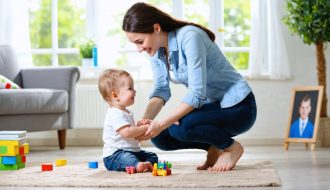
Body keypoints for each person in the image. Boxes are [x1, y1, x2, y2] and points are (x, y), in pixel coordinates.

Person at [122, 2, 257, 172]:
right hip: (213, 107)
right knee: (159, 137)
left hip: (239, 108)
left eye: (140, 41)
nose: (139, 49)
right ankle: (213, 148)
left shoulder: (190, 37)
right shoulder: (156, 51)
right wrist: (144, 124)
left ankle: (231, 147)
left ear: (156, 28)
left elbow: (197, 93)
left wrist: (163, 122)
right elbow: (161, 90)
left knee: (182, 127)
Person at [98, 68, 158, 173]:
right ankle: (137, 165)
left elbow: (131, 130)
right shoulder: (115, 113)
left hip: (132, 151)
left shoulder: (127, 112)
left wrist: (138, 125)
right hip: (115, 155)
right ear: (115, 95)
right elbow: (127, 132)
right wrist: (144, 128)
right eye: (130, 88)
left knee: (153, 156)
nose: (135, 91)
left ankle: (143, 164)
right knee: (128, 159)